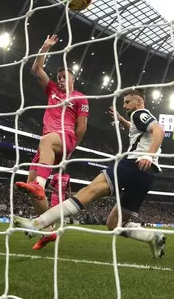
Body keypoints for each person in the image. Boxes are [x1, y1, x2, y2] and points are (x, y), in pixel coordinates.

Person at [13, 89, 166, 258]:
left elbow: (159, 131)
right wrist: (122, 120)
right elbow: (138, 131)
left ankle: (37, 224)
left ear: (138, 101)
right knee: (114, 223)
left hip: (132, 164)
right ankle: (152, 236)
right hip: (147, 176)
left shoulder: (140, 113)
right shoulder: (138, 119)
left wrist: (148, 155)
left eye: (127, 102)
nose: (124, 105)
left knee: (88, 192)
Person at [15, 35, 89, 250]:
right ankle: (48, 231)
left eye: (65, 76)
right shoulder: (52, 91)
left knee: (45, 143)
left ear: (73, 79)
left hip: (64, 137)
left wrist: (71, 148)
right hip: (47, 143)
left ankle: (40, 184)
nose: (61, 79)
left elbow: (82, 127)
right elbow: (36, 69)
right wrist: (44, 47)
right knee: (30, 183)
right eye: (59, 76)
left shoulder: (80, 98)